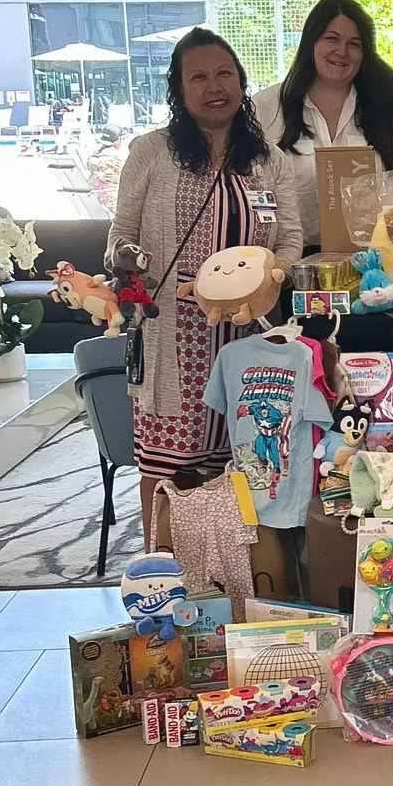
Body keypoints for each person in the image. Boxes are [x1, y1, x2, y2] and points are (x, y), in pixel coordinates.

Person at [109, 27, 304, 545]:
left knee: (246, 465)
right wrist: (139, 266)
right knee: (169, 470)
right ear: (178, 87)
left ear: (241, 82)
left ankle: (236, 581)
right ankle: (162, 577)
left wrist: (273, 277)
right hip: (174, 343)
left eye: (224, 73)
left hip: (248, 342)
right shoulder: (151, 153)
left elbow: (290, 236)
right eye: (198, 76)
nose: (214, 86)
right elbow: (119, 239)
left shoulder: (268, 161)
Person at [253, 0, 393, 248]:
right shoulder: (265, 107)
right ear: (311, 43)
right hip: (289, 265)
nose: (342, 52)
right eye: (332, 39)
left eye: (354, 44)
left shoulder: (389, 109)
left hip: (378, 265)